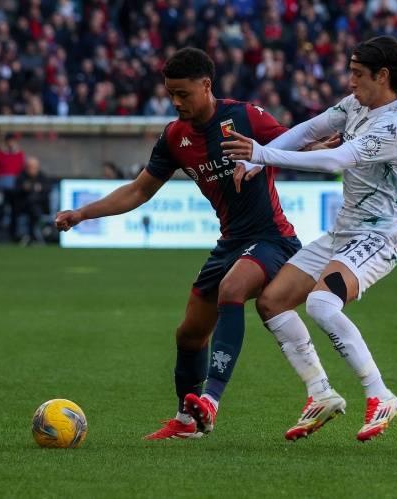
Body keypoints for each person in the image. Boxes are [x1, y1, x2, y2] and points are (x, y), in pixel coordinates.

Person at [55, 48, 302, 440]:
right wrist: (83, 213)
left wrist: (326, 149)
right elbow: (139, 191)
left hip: (273, 238)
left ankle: (211, 401)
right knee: (189, 334)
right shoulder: (175, 137)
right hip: (230, 244)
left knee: (232, 289)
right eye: (171, 93)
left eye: (183, 93)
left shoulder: (245, 117)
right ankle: (186, 421)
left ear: (206, 86)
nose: (175, 101)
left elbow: (295, 142)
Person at [223, 36, 397, 441]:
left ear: (382, 76)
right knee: (272, 302)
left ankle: (380, 394)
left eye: (357, 73)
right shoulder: (357, 104)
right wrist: (255, 158)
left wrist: (262, 155)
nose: (350, 81)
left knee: (320, 303)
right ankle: (320, 393)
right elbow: (309, 129)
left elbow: (336, 159)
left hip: (379, 235)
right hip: (343, 230)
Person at [0, 133, 26, 241]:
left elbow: (23, 171)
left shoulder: (20, 155)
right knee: (0, 210)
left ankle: (13, 234)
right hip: (1, 189)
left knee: (14, 212)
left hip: (15, 189)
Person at [15, 156, 50, 245]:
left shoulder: (42, 177)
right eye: (30, 167)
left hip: (40, 206)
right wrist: (25, 189)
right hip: (23, 206)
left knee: (33, 205)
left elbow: (47, 191)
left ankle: (32, 236)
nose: (32, 170)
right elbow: (16, 191)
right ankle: (43, 226)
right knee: (31, 204)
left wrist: (39, 189)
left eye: (34, 167)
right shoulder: (21, 177)